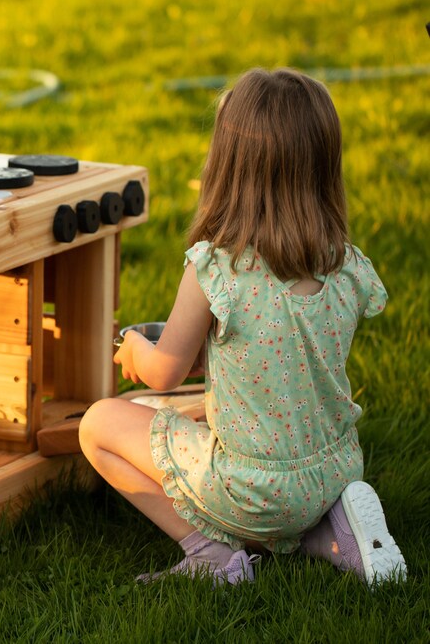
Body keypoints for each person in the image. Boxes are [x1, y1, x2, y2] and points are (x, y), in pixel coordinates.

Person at [78, 67, 406, 586]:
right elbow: (288, 358)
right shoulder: (344, 263)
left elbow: (163, 374)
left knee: (100, 423)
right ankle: (331, 534)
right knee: (211, 434)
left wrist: (136, 348)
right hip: (332, 471)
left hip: (254, 491)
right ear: (324, 167)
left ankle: (211, 553)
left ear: (229, 166)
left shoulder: (216, 268)